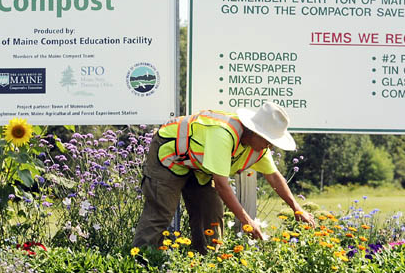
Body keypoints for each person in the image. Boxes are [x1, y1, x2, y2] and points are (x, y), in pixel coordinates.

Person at [132, 102, 315, 253]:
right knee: (161, 212)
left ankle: (208, 265)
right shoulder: (223, 134)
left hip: (199, 166)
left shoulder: (259, 147)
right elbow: (221, 184)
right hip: (169, 154)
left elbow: (274, 178)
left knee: (211, 213)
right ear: (253, 132)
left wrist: (298, 209)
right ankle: (140, 265)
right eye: (268, 140)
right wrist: (247, 222)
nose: (271, 147)